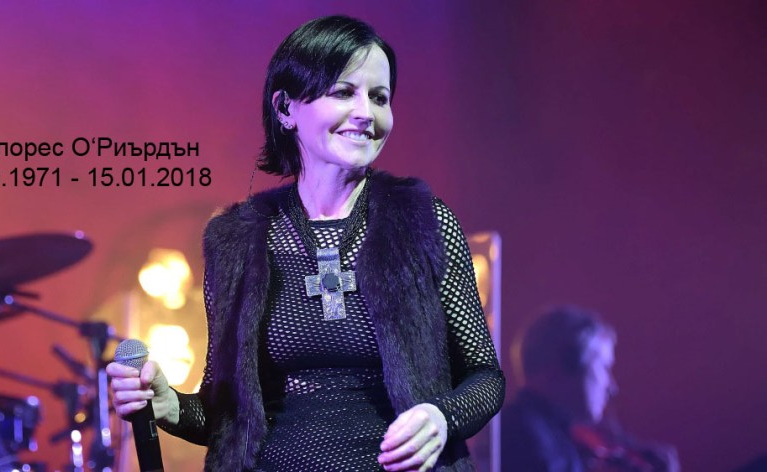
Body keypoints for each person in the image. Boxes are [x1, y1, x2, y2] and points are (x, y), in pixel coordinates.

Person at [108, 15, 504, 471]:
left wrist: (442, 416)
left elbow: (486, 377)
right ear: (285, 108)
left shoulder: (422, 222)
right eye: (344, 92)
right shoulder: (236, 239)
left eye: (380, 97)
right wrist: (171, 406)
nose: (367, 113)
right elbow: (227, 416)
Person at [501, 306, 679, 472]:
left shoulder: (546, 434)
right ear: (564, 366)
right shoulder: (530, 439)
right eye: (604, 367)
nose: (612, 386)